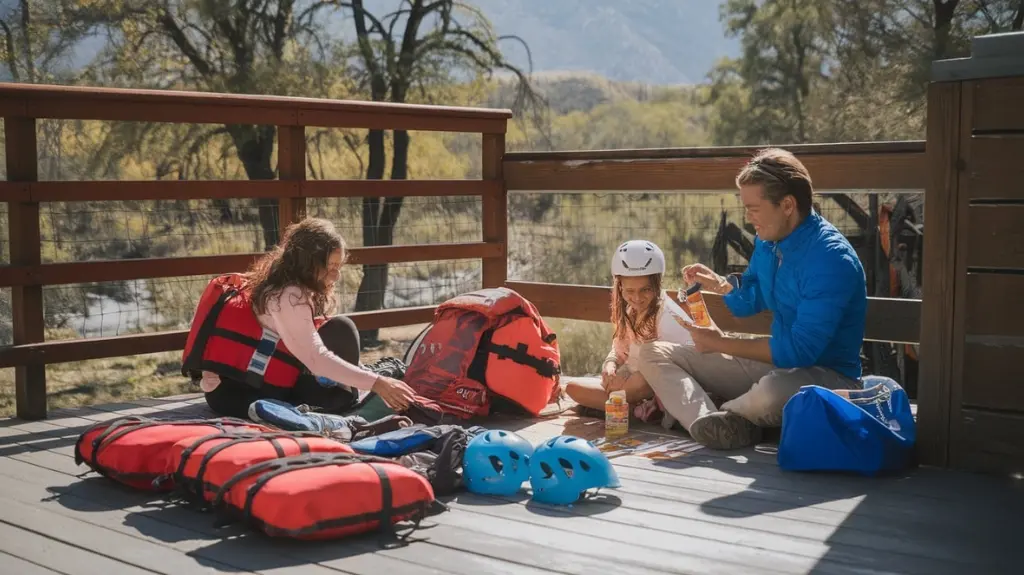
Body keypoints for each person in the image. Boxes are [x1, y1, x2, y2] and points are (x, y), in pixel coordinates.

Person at [640, 147, 867, 450]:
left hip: (829, 378)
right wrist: (721, 285)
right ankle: (710, 422)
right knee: (653, 353)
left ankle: (729, 414)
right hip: (775, 367)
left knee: (772, 391)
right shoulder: (769, 239)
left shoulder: (830, 259)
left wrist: (717, 343)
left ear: (787, 205)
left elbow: (800, 351)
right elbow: (751, 297)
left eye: (754, 208)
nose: (748, 219)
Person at [193, 217, 417, 419]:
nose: (336, 275)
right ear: (308, 263)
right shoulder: (288, 296)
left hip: (245, 383)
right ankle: (351, 401)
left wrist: (366, 376)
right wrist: (378, 383)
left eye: (338, 267)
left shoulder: (284, 276)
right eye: (329, 267)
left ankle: (352, 395)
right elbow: (315, 357)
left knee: (339, 328)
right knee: (340, 394)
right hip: (238, 394)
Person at [564, 240, 694, 412]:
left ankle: (626, 404)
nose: (637, 298)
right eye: (630, 291)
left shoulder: (668, 316)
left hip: (657, 383)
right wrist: (610, 366)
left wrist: (628, 380)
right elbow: (619, 350)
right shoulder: (629, 310)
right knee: (572, 387)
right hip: (629, 380)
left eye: (645, 290)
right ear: (620, 287)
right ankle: (627, 405)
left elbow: (670, 366)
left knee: (641, 382)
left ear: (657, 283)